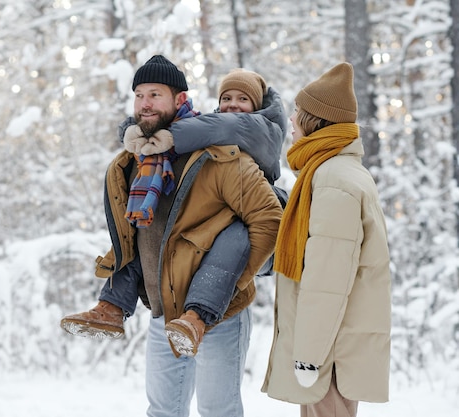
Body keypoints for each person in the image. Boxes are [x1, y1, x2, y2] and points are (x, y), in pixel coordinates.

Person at [65, 55, 283, 417]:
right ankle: (111, 307)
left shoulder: (219, 156)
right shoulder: (136, 161)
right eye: (139, 95)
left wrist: (236, 281)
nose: (145, 103)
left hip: (220, 315)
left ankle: (201, 312)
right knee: (163, 411)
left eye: (155, 94)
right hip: (162, 311)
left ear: (180, 100)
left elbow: (268, 220)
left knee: (218, 411)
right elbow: (134, 232)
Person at [261, 62, 392, 417]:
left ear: (315, 121)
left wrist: (309, 356)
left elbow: (326, 282)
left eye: (298, 113)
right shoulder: (336, 172)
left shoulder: (333, 181)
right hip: (335, 349)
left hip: (330, 354)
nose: (291, 121)